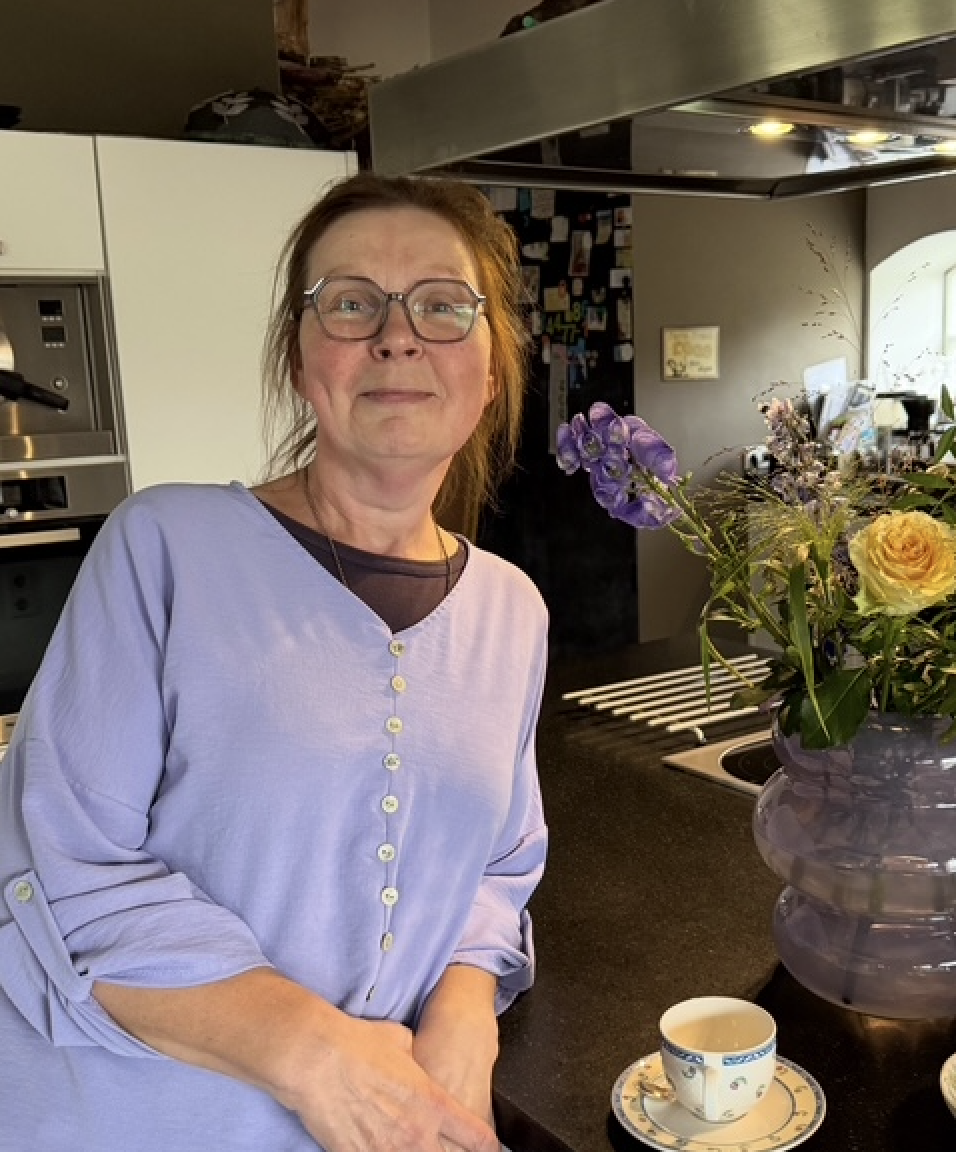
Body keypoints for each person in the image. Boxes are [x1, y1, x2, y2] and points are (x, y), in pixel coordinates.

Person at [0, 172, 549, 1152]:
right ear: (301, 361)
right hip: (131, 1113)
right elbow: (59, 860)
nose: (395, 335)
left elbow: (498, 864)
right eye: (349, 303)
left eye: (441, 304)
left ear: (491, 369)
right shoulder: (164, 547)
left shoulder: (511, 609)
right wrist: (309, 1049)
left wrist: (464, 1005)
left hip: (391, 1121)